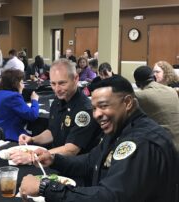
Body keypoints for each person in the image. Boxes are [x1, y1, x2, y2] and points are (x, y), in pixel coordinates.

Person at [20, 76, 179, 202]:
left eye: (103, 106)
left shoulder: (141, 142)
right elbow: (91, 162)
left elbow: (110, 197)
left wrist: (46, 187)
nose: (96, 114)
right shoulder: (119, 129)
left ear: (128, 103)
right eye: (94, 108)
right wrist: (54, 159)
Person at [11, 59, 101, 165]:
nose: (57, 89)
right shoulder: (58, 101)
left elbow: (71, 150)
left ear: (76, 79)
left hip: (75, 169)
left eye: (62, 83)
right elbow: (53, 132)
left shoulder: (85, 109)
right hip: (55, 163)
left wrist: (34, 156)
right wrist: (32, 139)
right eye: (53, 84)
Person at [134, 65, 179, 150]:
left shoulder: (140, 95)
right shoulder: (172, 91)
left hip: (163, 148)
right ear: (154, 77)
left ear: (137, 84)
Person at [0, 69, 39, 141]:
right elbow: (33, 115)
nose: (23, 86)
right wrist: (35, 100)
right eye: (21, 82)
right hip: (7, 135)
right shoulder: (13, 97)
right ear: (16, 83)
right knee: (37, 139)